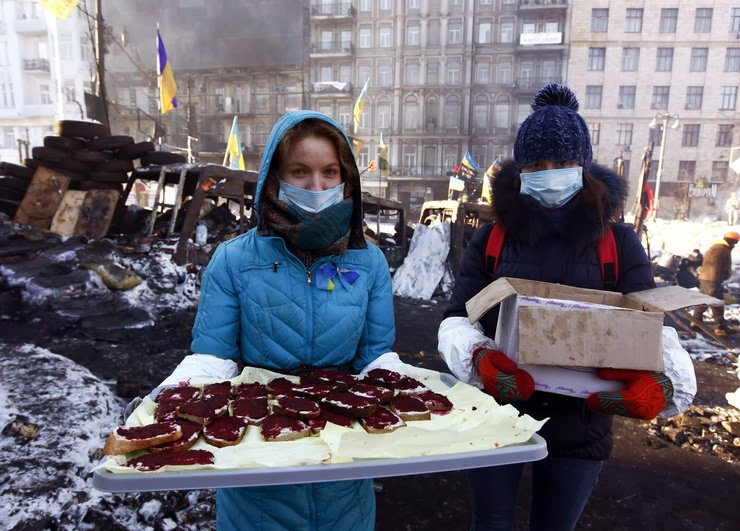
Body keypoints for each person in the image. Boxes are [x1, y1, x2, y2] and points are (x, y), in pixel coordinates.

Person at [438, 84, 689, 530]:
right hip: (495, 413)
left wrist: (663, 383)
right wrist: (478, 359)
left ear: (583, 168)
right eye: (536, 165)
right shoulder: (492, 239)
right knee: (490, 522)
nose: (549, 174)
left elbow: (654, 327)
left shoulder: (618, 243)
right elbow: (458, 317)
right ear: (520, 171)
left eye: (562, 163)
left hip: (582, 425)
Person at [153, 111, 401, 530]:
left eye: (330, 172)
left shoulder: (368, 261)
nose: (317, 186)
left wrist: (410, 390)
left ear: (346, 179)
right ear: (274, 177)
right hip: (257, 468)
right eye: (300, 171)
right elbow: (213, 357)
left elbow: (375, 356)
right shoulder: (234, 260)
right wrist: (167, 401)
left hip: (343, 467)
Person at [691, 231, 739, 335]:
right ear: (732, 241)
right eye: (735, 242)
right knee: (717, 302)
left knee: (704, 300)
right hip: (713, 279)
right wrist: (720, 278)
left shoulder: (715, 247)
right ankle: (720, 327)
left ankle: (696, 322)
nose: (735, 245)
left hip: (705, 278)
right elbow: (717, 266)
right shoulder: (723, 249)